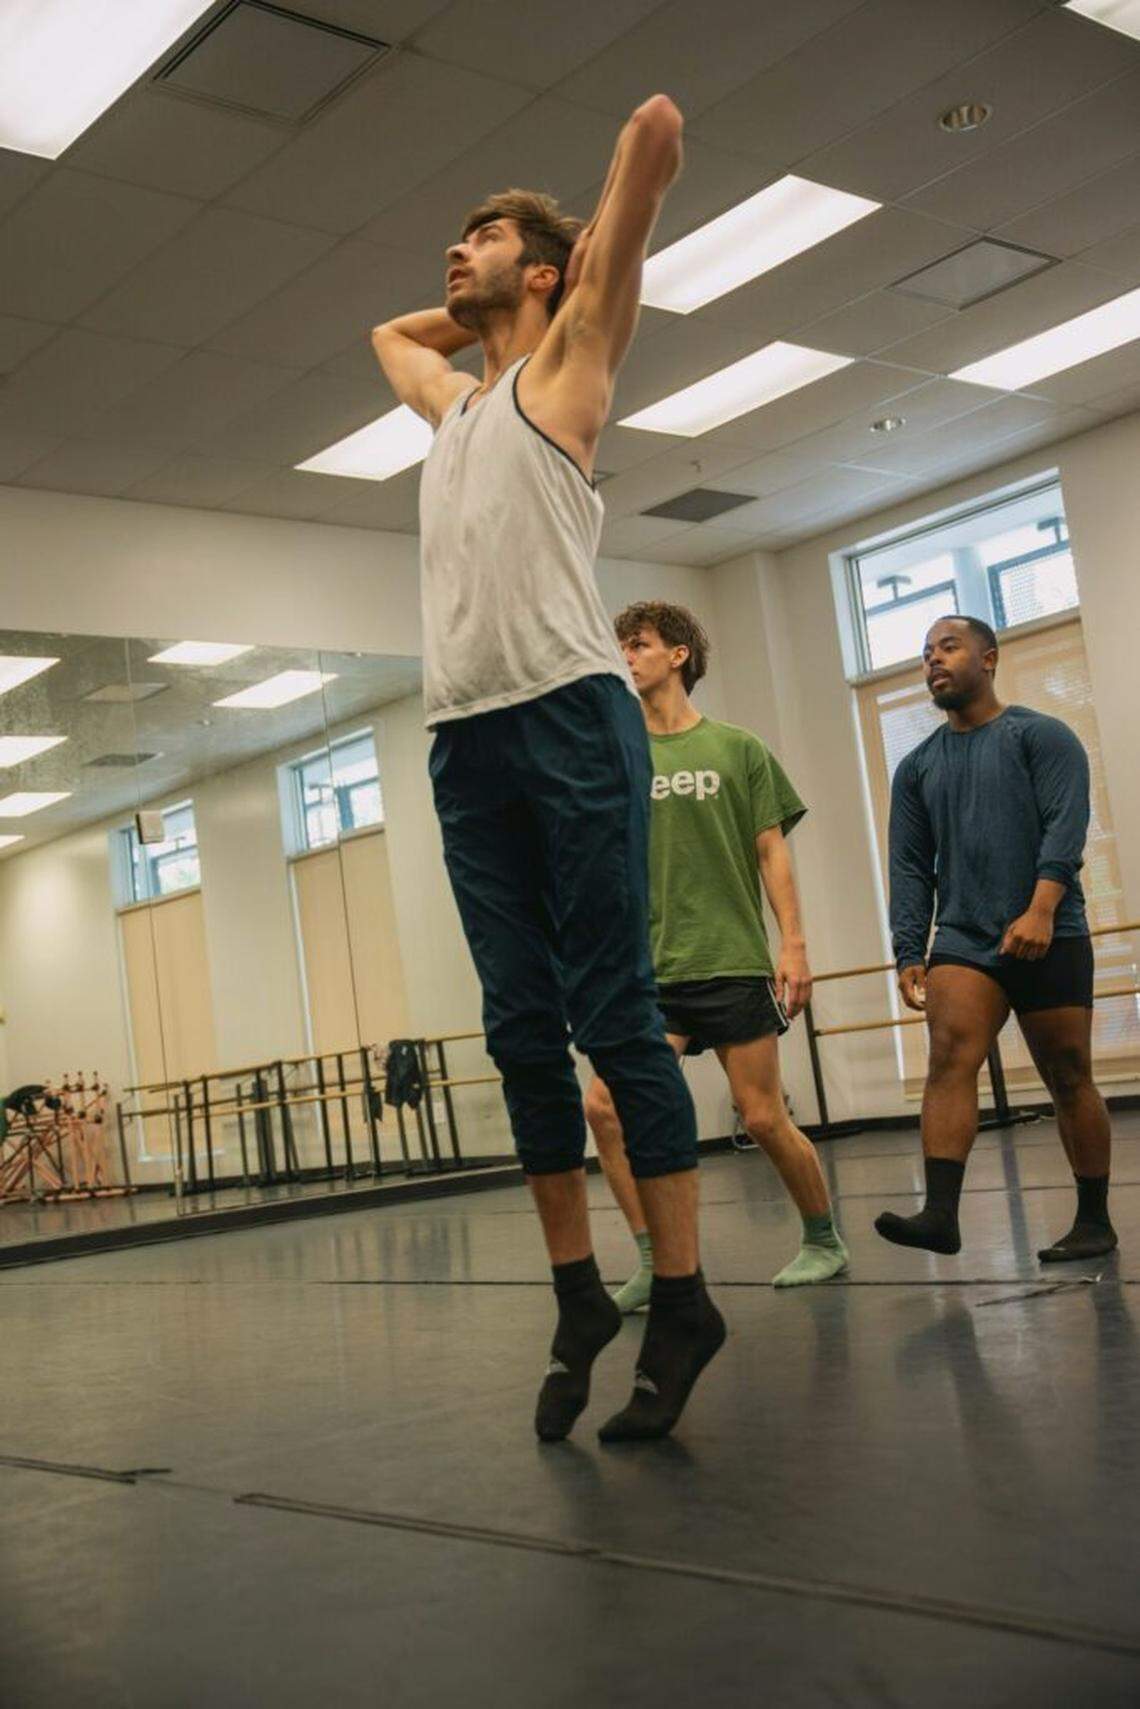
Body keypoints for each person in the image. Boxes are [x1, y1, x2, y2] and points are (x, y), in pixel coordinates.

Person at [370, 95, 724, 1445]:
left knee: (614, 1013)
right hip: (465, 731)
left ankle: (682, 1294)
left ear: (544, 267)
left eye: (483, 237)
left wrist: (574, 257)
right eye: (453, 237)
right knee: (519, 1024)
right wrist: (477, 298)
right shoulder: (457, 402)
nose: (456, 252)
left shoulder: (569, 371)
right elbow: (388, 337)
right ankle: (579, 1289)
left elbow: (654, 135)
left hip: (574, 715)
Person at [585, 602, 848, 1307]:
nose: (627, 656)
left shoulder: (739, 749)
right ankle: (654, 1260)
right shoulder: (617, 758)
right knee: (605, 1107)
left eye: (638, 644)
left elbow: (771, 849)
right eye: (621, 647)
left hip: (730, 958)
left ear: (678, 656)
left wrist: (793, 943)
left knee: (761, 1115)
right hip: (649, 973)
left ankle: (824, 1238)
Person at [875, 614, 1116, 1263]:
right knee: (950, 1055)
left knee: (1068, 1075)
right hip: (963, 936)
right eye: (926, 653)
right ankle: (940, 1214)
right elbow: (907, 865)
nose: (934, 660)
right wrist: (907, 950)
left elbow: (1066, 829)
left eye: (948, 647)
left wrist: (1040, 910)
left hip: (1050, 929)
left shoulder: (1042, 735)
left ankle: (1094, 1218)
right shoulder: (918, 767)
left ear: (988, 657)